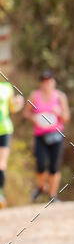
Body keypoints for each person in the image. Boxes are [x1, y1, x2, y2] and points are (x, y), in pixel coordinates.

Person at [24, 70, 70, 202]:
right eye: (44, 82)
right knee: (40, 164)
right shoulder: (34, 96)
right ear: (41, 83)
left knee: (54, 166)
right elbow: (26, 113)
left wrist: (60, 113)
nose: (46, 84)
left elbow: (66, 118)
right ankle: (40, 187)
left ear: (53, 82)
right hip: (40, 135)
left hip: (56, 134)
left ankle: (52, 195)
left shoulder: (60, 97)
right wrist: (34, 118)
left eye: (49, 81)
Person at [0, 74, 24, 208]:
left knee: (1, 164)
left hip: (4, 130)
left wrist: (18, 104)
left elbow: (12, 108)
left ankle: (0, 195)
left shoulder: (6, 87)